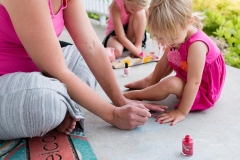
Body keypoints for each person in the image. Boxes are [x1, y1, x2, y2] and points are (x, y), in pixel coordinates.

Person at [0, 0, 167, 140]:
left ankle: (64, 102)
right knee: (47, 104)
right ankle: (61, 102)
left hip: (39, 71)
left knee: (84, 59)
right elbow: (55, 69)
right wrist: (113, 114)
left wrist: (120, 100)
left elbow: (91, 47)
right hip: (7, 79)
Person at [124, 0, 226, 126]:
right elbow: (163, 64)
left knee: (170, 83)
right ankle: (148, 83)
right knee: (170, 56)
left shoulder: (197, 46)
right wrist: (153, 85)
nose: (167, 42)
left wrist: (181, 112)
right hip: (188, 76)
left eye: (171, 38)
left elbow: (194, 82)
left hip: (202, 90)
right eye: (160, 37)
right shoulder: (176, 35)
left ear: (189, 21)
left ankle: (136, 95)